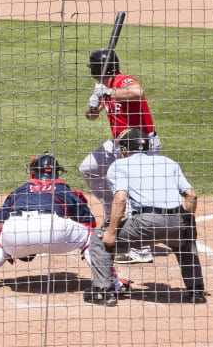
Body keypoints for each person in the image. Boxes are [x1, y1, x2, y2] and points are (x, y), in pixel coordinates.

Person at [83, 128, 206, 306]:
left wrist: (111, 232)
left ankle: (105, 292)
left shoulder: (118, 166)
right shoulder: (168, 162)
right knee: (186, 241)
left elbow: (121, 199)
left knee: (98, 239)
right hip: (177, 219)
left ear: (124, 149)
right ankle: (196, 292)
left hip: (146, 223)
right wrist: (187, 222)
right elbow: (191, 196)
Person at [0, 153, 97, 291]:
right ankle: (109, 281)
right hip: (55, 233)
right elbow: (89, 222)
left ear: (33, 173)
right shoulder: (64, 190)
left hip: (17, 233)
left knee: (1, 239)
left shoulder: (20, 190)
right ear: (57, 173)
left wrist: (18, 247)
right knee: (91, 237)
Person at [79, 47, 161, 264]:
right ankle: (112, 212)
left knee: (134, 192)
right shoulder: (102, 87)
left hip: (141, 144)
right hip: (119, 144)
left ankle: (142, 250)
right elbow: (91, 117)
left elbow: (138, 92)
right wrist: (93, 105)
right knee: (89, 168)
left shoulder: (122, 81)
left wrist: (107, 93)